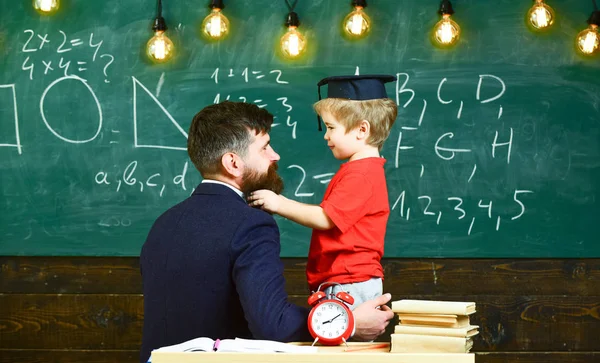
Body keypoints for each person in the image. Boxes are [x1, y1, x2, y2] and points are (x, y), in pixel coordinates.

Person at [139, 101, 394, 363]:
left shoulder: (162, 224)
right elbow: (273, 325)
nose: (275, 156)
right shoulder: (251, 224)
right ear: (233, 163)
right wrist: (348, 322)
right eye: (264, 148)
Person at [248, 75, 398, 309]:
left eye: (330, 127)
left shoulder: (361, 174)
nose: (326, 135)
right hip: (347, 279)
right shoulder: (363, 170)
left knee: (343, 342)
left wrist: (279, 203)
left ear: (362, 129)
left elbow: (326, 218)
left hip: (349, 281)